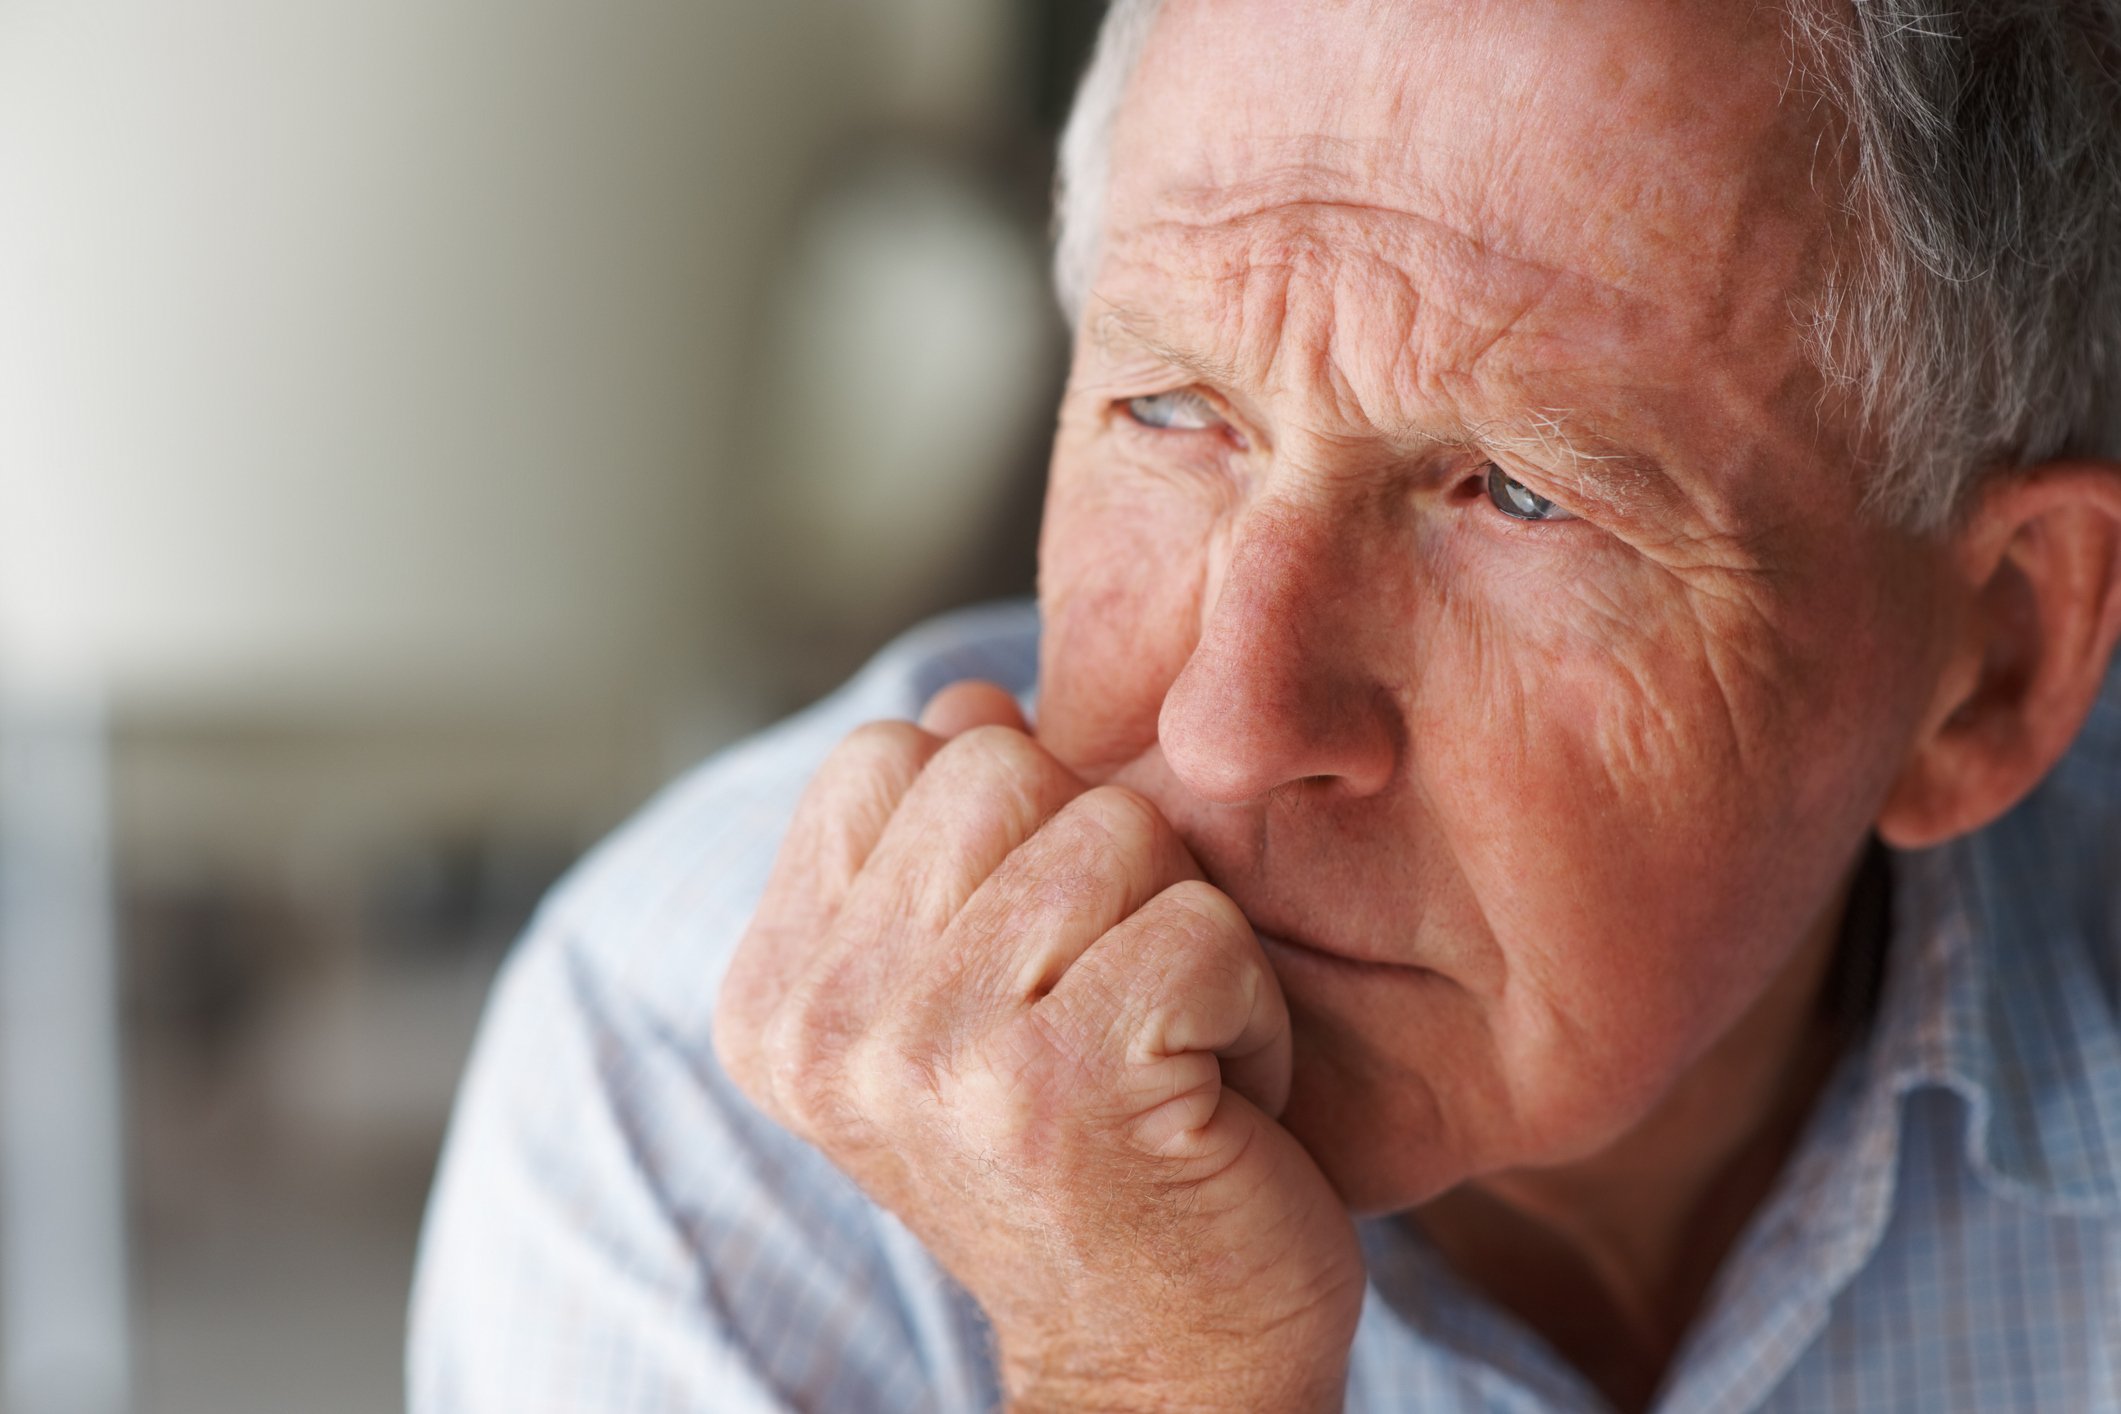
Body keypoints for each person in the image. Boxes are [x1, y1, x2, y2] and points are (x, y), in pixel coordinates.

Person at [408, 1, 2121, 1409]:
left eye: (1517, 497)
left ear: (1993, 662)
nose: (1229, 723)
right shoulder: (692, 1092)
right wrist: (1144, 1371)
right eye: (1169, 414)